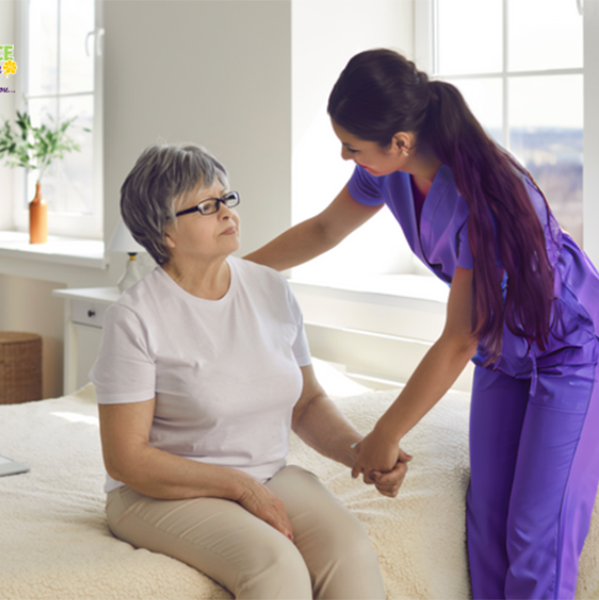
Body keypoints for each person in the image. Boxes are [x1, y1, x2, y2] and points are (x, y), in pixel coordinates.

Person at [244, 49, 599, 600]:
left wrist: (386, 433)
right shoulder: (390, 174)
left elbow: (457, 339)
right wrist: (231, 273)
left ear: (399, 141)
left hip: (571, 351)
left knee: (535, 533)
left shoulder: (487, 196)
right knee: (489, 526)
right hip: (503, 352)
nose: (344, 155)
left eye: (352, 146)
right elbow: (326, 229)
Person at [90, 143, 409, 600]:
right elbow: (127, 459)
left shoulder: (271, 288)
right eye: (206, 206)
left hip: (268, 475)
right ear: (165, 234)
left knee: (351, 552)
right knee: (276, 567)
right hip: (155, 493)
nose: (226, 213)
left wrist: (362, 453)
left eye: (227, 198)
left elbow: (307, 403)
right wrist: (238, 486)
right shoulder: (135, 318)